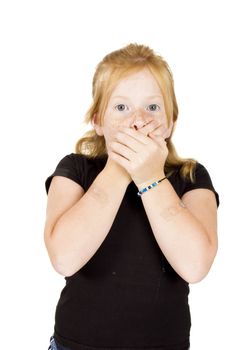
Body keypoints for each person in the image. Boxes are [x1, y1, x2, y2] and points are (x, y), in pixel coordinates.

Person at [44, 43, 220, 350]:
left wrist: (150, 177)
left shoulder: (190, 177)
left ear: (170, 123)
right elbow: (64, 257)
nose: (137, 120)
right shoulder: (76, 169)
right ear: (98, 121)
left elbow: (195, 266)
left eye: (152, 108)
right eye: (121, 108)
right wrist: (119, 168)